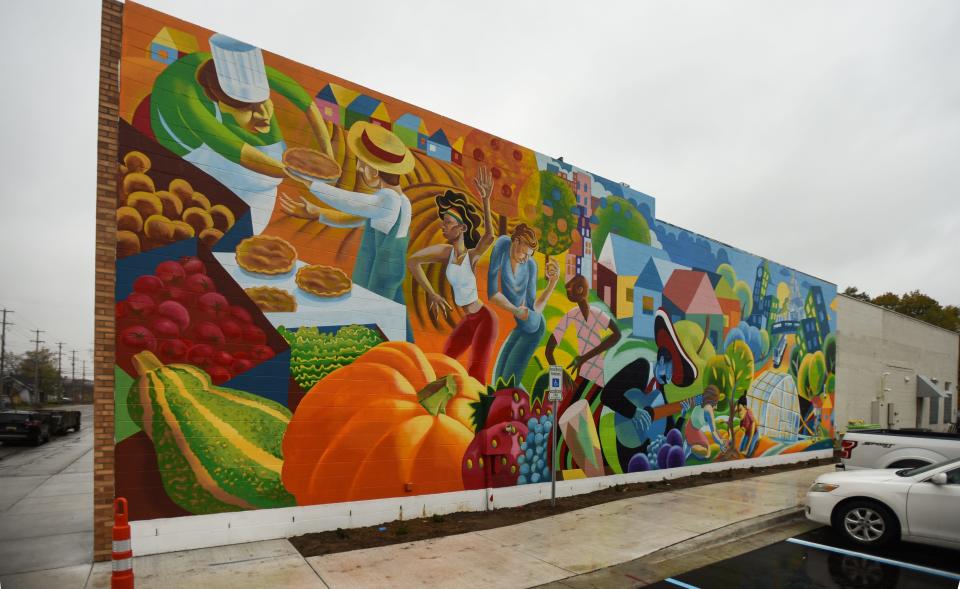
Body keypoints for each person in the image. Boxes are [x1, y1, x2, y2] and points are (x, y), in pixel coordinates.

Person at [150, 34, 334, 234]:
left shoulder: (250, 71)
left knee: (268, 166)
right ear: (221, 105)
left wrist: (329, 158)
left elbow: (307, 105)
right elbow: (235, 151)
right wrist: (307, 178)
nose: (264, 114)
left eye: (264, 102)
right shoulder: (183, 97)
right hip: (185, 144)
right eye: (249, 108)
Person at [280, 122, 417, 339]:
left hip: (380, 270)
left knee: (374, 321)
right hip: (391, 270)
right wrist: (317, 213)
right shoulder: (401, 200)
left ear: (376, 170)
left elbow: (350, 202)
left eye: (363, 165)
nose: (360, 170)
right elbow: (356, 217)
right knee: (396, 318)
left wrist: (310, 183)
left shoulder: (388, 199)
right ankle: (409, 352)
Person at [407, 169, 497, 382]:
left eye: (448, 222)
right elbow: (413, 261)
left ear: (462, 227)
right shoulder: (445, 253)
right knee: (445, 360)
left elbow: (490, 236)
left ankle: (475, 412)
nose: (443, 226)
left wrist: (486, 200)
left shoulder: (472, 257)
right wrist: (432, 294)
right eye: (444, 222)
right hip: (469, 319)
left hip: (484, 319)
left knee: (476, 373)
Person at [487, 225, 560, 386]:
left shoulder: (531, 266)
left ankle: (530, 409)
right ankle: (531, 408)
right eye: (525, 253)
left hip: (534, 328)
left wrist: (552, 283)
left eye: (530, 255)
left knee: (507, 382)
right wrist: (516, 311)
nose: (526, 258)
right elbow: (492, 294)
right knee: (498, 381)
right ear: (517, 241)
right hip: (521, 324)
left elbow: (534, 309)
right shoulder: (502, 245)